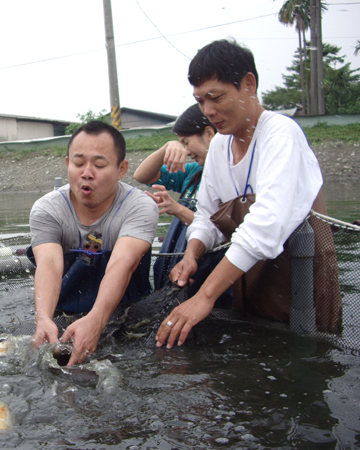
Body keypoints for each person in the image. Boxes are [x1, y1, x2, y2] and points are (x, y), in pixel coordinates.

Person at [156, 39, 340, 349]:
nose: (208, 111)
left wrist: (205, 296)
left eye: (215, 97)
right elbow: (206, 216)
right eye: (200, 100)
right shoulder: (219, 146)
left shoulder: (281, 133)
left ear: (249, 84)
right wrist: (192, 254)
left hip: (302, 289)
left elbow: (265, 225)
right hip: (248, 286)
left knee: (305, 362)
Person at [28, 120, 159, 366]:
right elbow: (49, 262)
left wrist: (97, 320)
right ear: (67, 164)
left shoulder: (140, 206)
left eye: (99, 164)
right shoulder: (47, 209)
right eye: (78, 163)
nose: (87, 172)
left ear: (122, 169)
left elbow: (123, 263)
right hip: (65, 311)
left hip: (129, 312)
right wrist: (43, 318)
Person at [134, 105, 216, 289]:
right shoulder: (195, 171)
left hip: (205, 275)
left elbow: (221, 233)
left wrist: (177, 209)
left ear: (209, 134)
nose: (186, 151)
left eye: (186, 142)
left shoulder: (229, 179)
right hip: (177, 269)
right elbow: (142, 175)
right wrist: (167, 147)